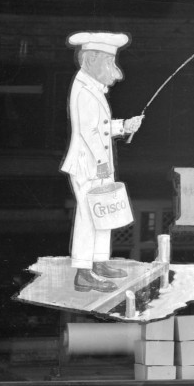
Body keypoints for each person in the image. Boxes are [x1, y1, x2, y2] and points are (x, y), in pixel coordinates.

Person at [61, 31, 144, 293]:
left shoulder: (92, 86)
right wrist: (101, 165)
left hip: (97, 166)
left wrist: (124, 125)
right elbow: (88, 131)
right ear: (93, 59)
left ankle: (98, 262)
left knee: (102, 213)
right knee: (89, 216)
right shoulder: (84, 90)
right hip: (89, 166)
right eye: (108, 62)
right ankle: (84, 272)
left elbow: (103, 127)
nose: (113, 69)